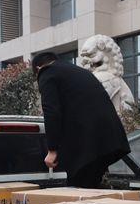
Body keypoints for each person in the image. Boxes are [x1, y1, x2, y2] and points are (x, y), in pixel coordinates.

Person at [32, 51, 130, 188]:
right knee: (91, 185)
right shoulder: (79, 71)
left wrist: (52, 150)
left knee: (78, 189)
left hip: (87, 145)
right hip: (110, 138)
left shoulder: (47, 73)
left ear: (38, 68)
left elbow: (51, 112)